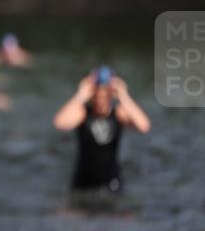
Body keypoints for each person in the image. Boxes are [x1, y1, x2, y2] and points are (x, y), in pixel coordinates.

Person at [53, 66, 150, 196]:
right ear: (92, 95)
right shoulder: (83, 114)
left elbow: (144, 126)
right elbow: (59, 123)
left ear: (111, 95)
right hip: (83, 183)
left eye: (104, 96)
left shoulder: (118, 114)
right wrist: (80, 96)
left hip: (111, 183)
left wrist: (124, 96)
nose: (101, 102)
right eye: (97, 96)